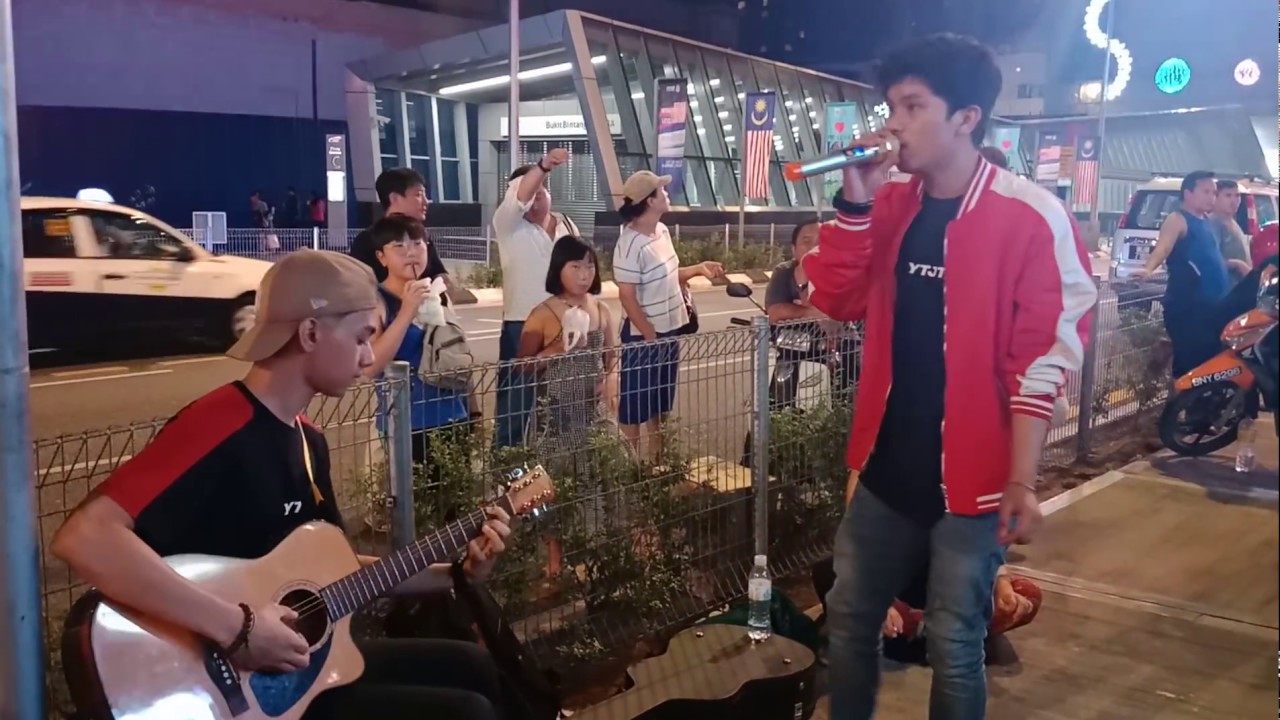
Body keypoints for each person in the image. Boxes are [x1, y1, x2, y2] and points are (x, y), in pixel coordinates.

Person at [50, 249, 512, 720]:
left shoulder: (308, 439)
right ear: (310, 332)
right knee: (465, 712)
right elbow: (84, 538)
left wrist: (455, 574)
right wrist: (238, 628)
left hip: (291, 674)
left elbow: (334, 572)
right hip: (216, 683)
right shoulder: (218, 421)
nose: (370, 356)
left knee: (471, 665)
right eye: (360, 337)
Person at [801, 34, 1096, 719]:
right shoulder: (894, 202)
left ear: (966, 117)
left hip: (979, 483)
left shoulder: (1029, 216)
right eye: (890, 106)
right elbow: (834, 302)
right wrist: (854, 201)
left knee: (955, 637)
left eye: (911, 106)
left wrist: (1021, 481)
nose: (892, 123)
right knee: (847, 617)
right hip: (887, 472)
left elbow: (1042, 359)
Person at [612, 170, 723, 455]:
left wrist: (698, 268)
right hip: (644, 336)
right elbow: (627, 295)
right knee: (634, 406)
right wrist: (648, 333)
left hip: (670, 329)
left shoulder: (661, 231)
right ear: (649, 201)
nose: (667, 195)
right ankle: (630, 470)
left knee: (660, 404)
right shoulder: (629, 244)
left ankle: (658, 463)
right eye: (662, 191)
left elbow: (671, 274)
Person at [363, 215, 472, 476]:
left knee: (453, 507)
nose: (411, 253)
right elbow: (371, 365)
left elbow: (455, 353)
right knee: (411, 512)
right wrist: (406, 312)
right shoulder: (377, 301)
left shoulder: (437, 294)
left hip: (453, 417)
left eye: (418, 244)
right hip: (405, 424)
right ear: (381, 257)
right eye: (399, 247)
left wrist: (473, 412)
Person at [490, 148, 580, 448]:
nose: (531, 199)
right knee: (515, 408)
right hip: (522, 326)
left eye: (538, 193)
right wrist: (543, 165)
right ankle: (508, 478)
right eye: (525, 195)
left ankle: (555, 475)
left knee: (560, 406)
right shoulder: (508, 224)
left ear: (548, 193)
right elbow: (519, 196)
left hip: (566, 323)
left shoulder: (566, 225)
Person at [1135, 171, 1249, 376]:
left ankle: (1202, 405)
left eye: (1214, 193)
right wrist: (1148, 268)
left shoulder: (1206, 220)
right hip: (1188, 308)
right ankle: (1180, 405)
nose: (1211, 197)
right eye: (1206, 192)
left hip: (1211, 309)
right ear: (1188, 193)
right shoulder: (1177, 219)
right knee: (1190, 367)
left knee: (1210, 363)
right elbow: (1163, 248)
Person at [350, 167, 455, 303]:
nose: (425, 201)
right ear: (394, 198)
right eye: (418, 194)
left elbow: (440, 276)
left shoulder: (421, 234)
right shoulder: (367, 241)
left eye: (417, 244)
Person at [1210, 179, 1253, 280]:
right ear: (1215, 198)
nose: (1234, 201)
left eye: (1237, 196)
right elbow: (1209, 261)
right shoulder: (1213, 222)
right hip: (1224, 290)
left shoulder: (1232, 222)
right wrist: (1237, 265)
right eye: (1228, 195)